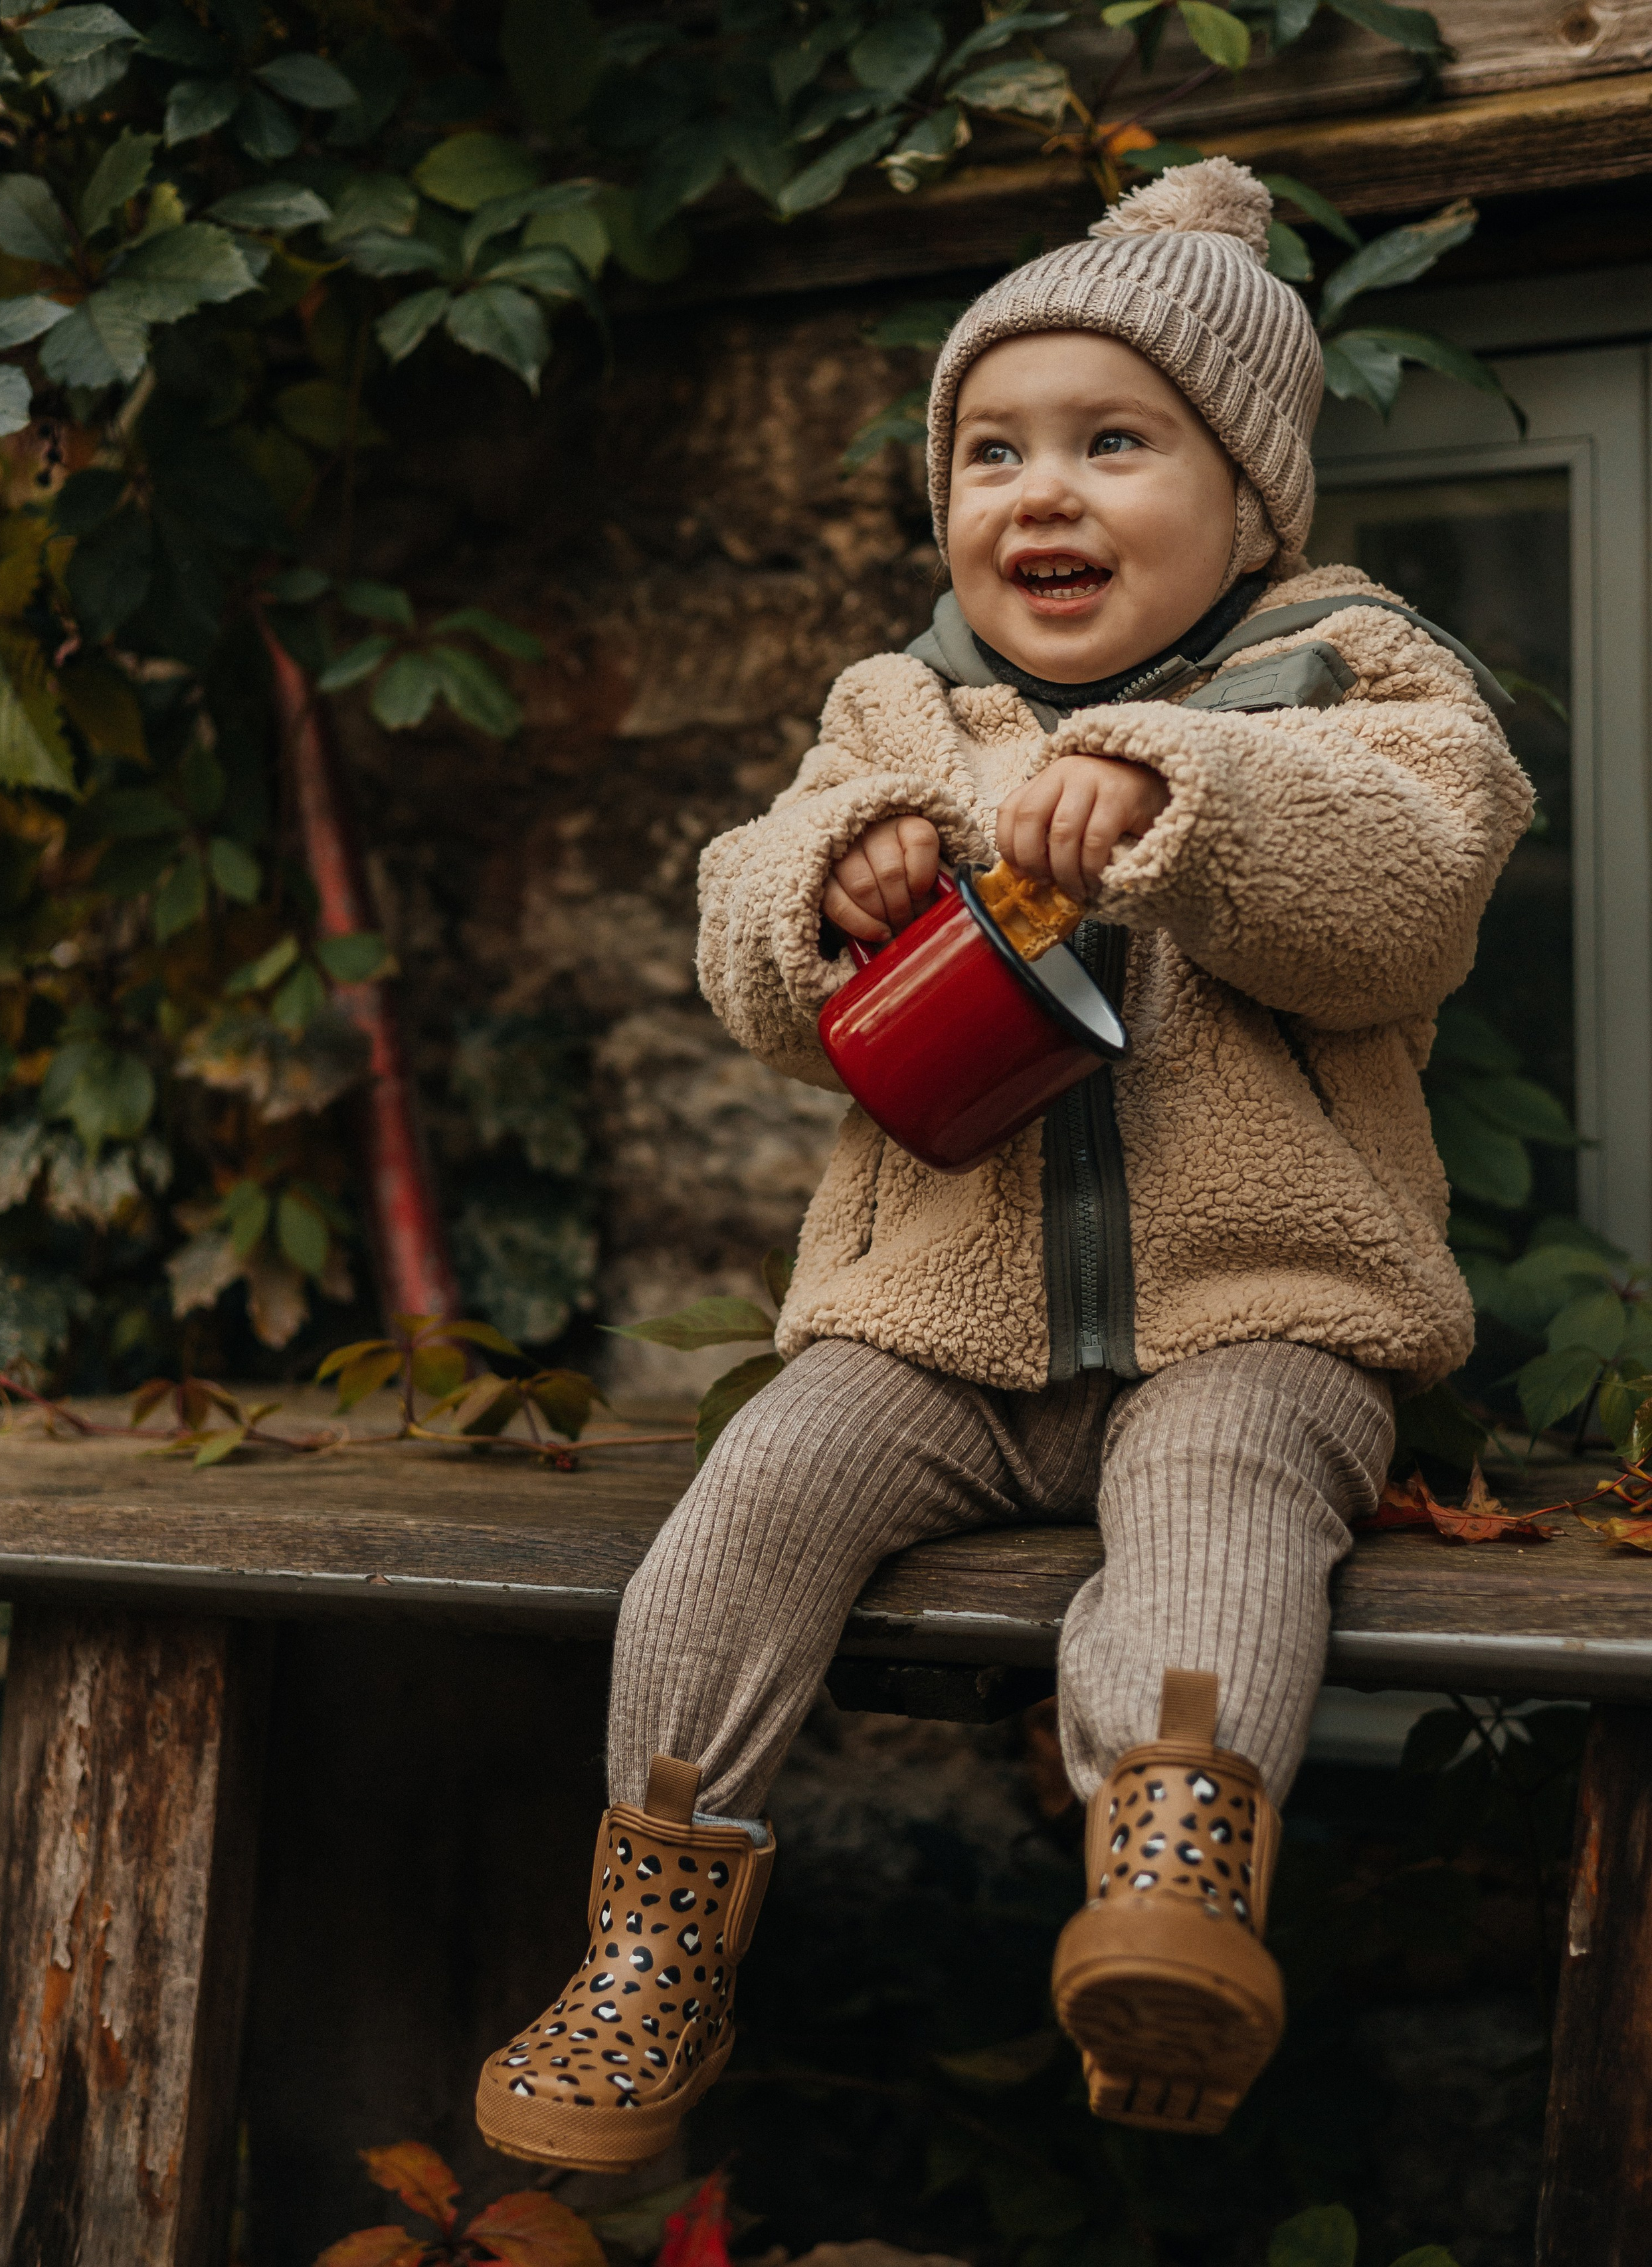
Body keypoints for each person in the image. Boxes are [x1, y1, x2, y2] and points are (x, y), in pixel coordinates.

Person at [475, 157, 1531, 2173]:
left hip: (1258, 1317)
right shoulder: (902, 711)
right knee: (744, 1509)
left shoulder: (1355, 688)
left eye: (1114, 444)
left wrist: (1185, 793)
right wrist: (831, 879)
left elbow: (1407, 901)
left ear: (1250, 496)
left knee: (1220, 1514)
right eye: (993, 451)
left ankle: (1171, 1894)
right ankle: (653, 1941)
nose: (1041, 494)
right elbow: (739, 942)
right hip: (934, 1335)